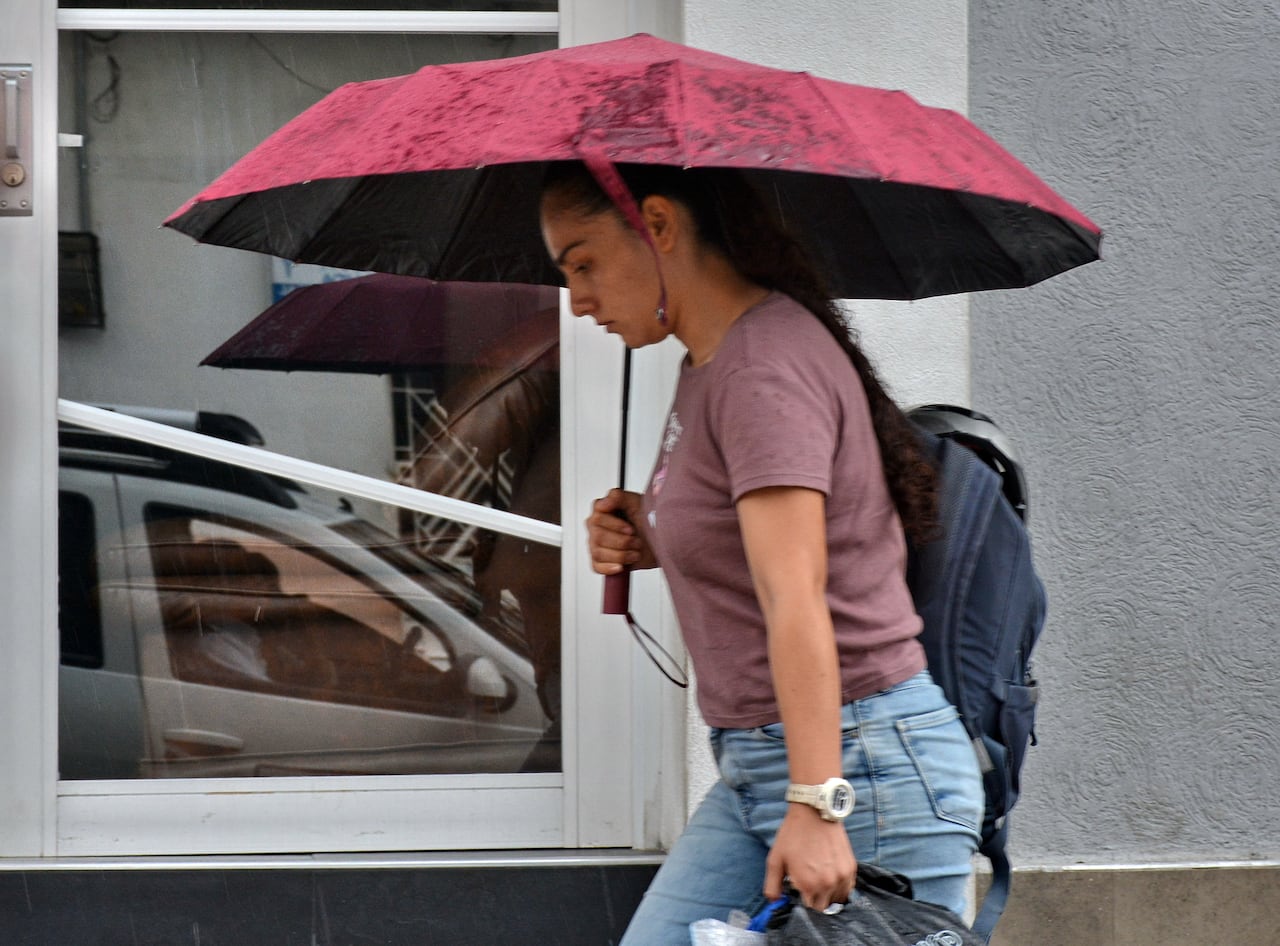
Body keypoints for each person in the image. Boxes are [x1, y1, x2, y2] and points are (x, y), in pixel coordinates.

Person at [539, 161, 984, 945]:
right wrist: (655, 531)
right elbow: (767, 538)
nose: (578, 300)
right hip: (772, 762)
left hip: (858, 768)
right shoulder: (711, 365)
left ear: (661, 225)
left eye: (585, 263)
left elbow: (797, 596)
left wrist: (817, 801)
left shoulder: (758, 369)